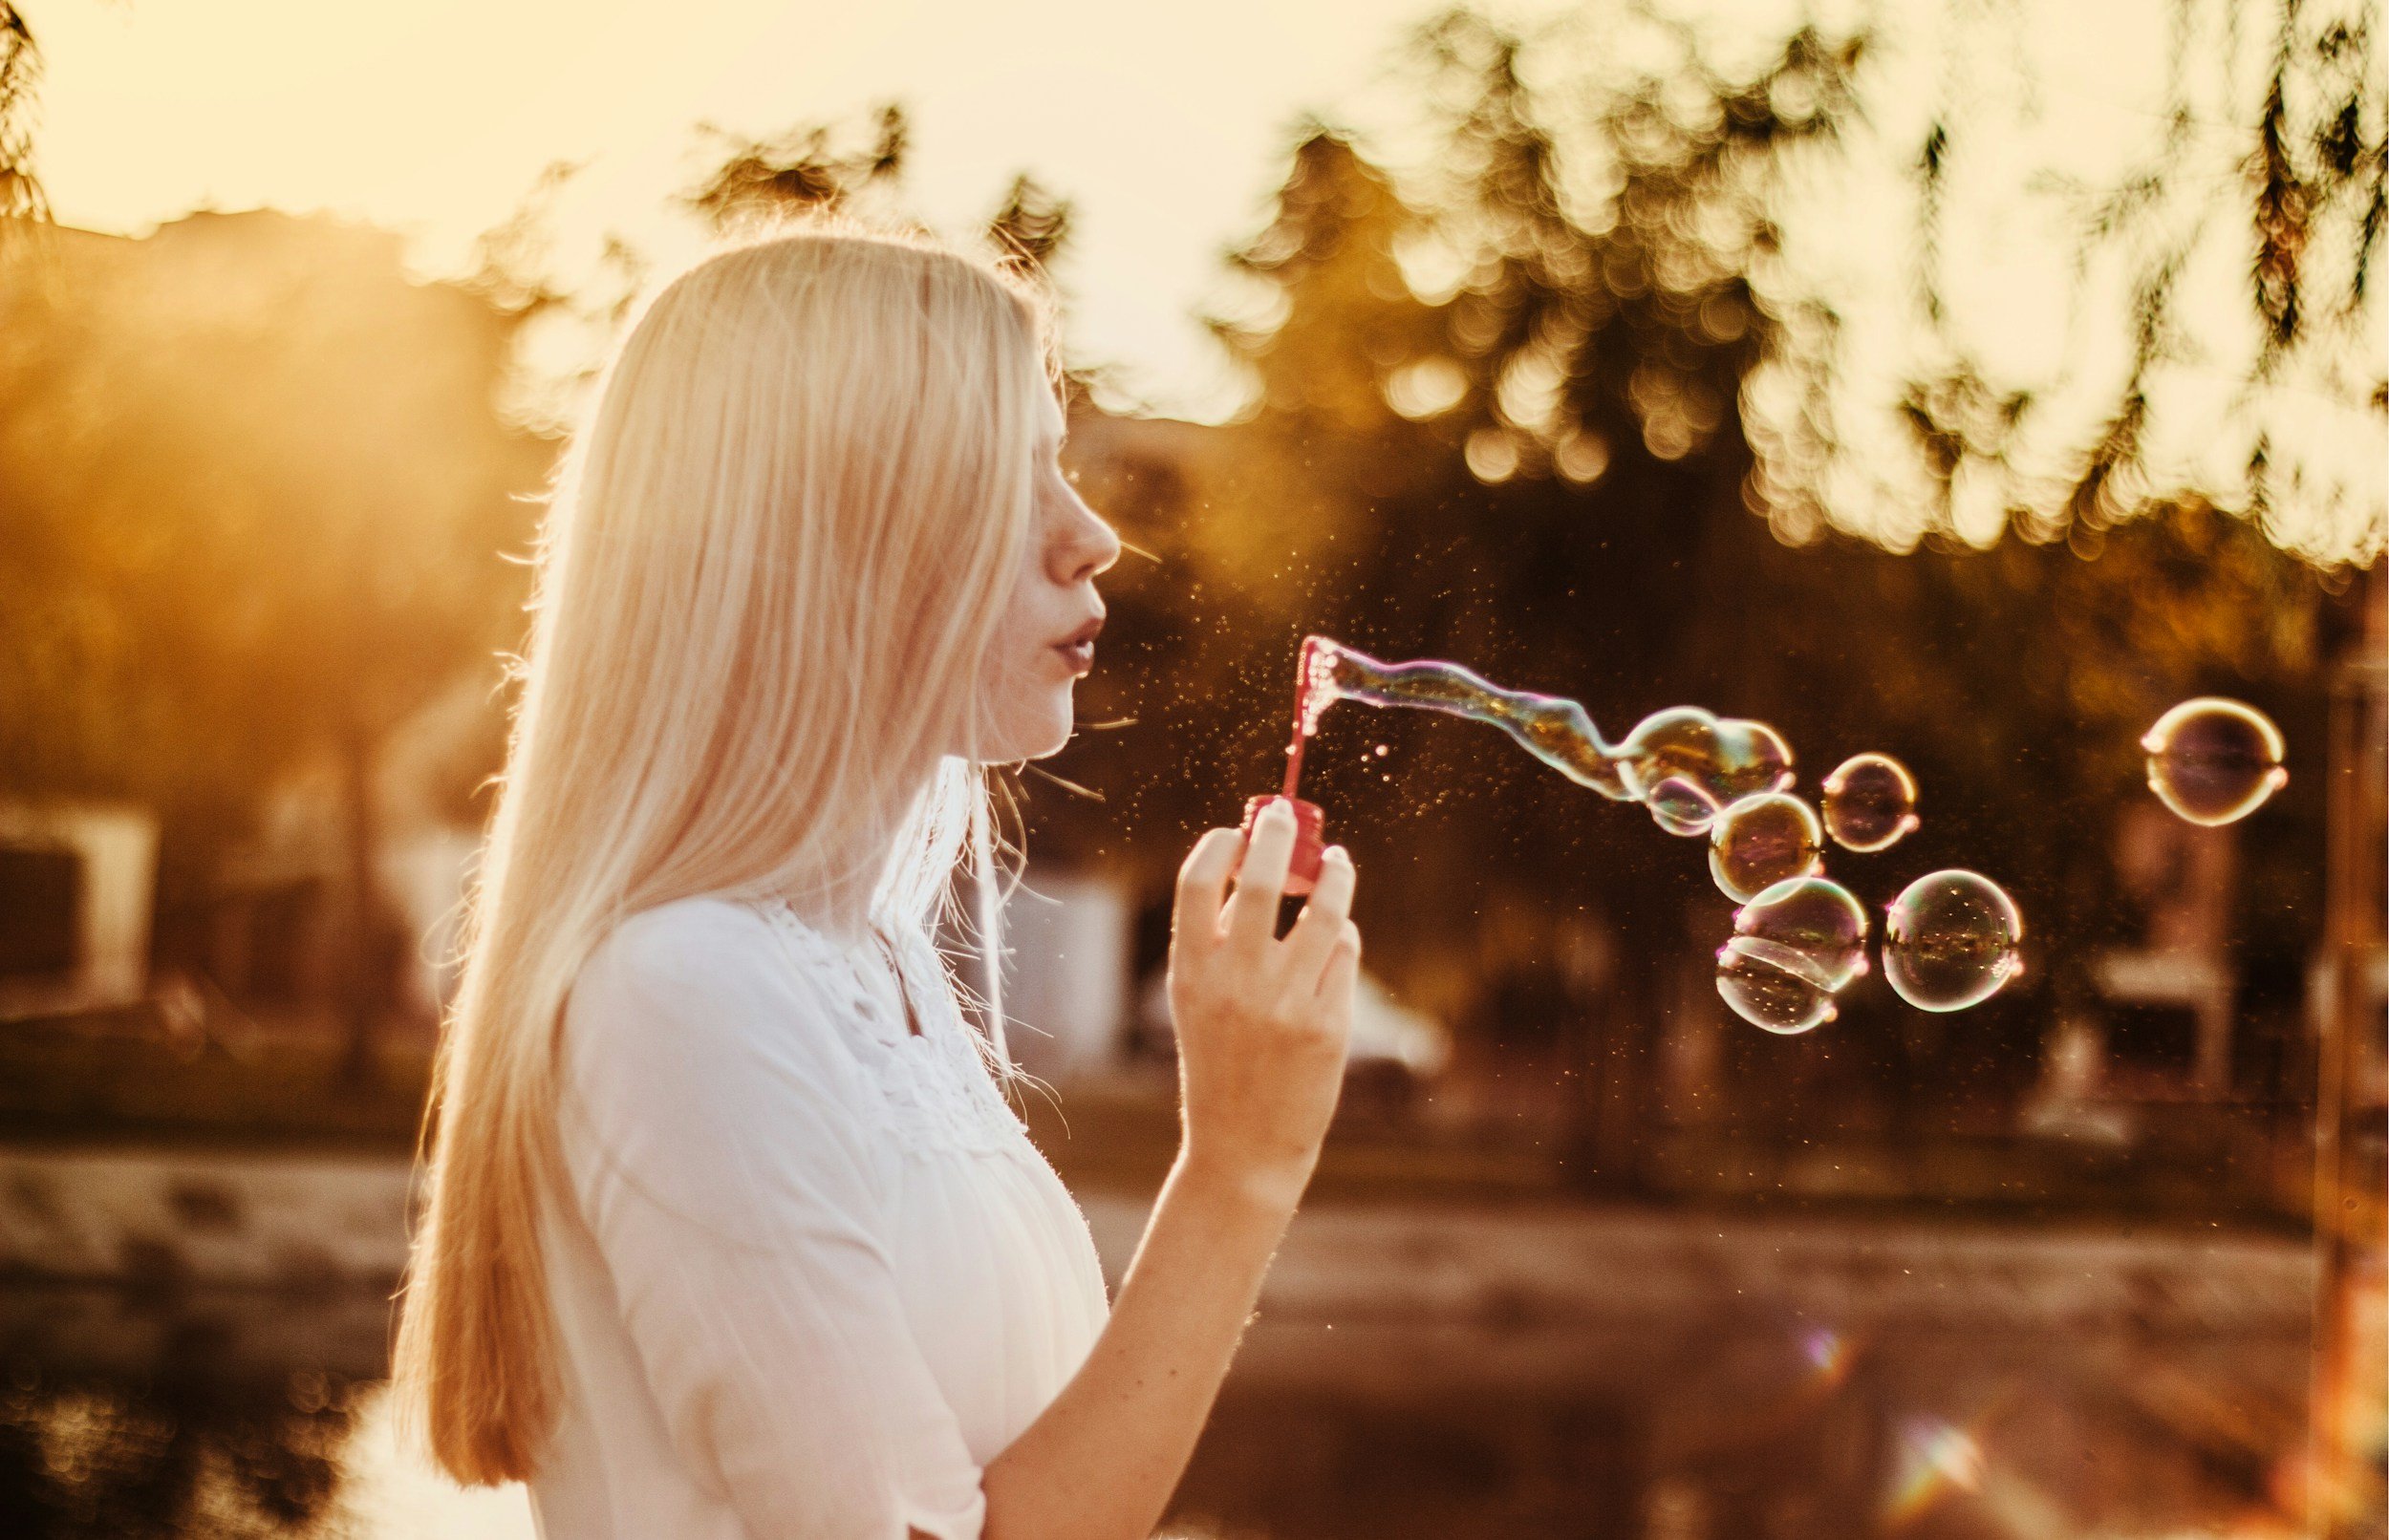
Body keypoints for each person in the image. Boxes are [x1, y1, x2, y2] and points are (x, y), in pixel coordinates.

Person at [390, 223, 1363, 1540]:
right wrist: (1239, 1170)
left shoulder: (866, 961)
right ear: (836, 533)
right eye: (1016, 475)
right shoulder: (686, 989)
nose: (1094, 539)